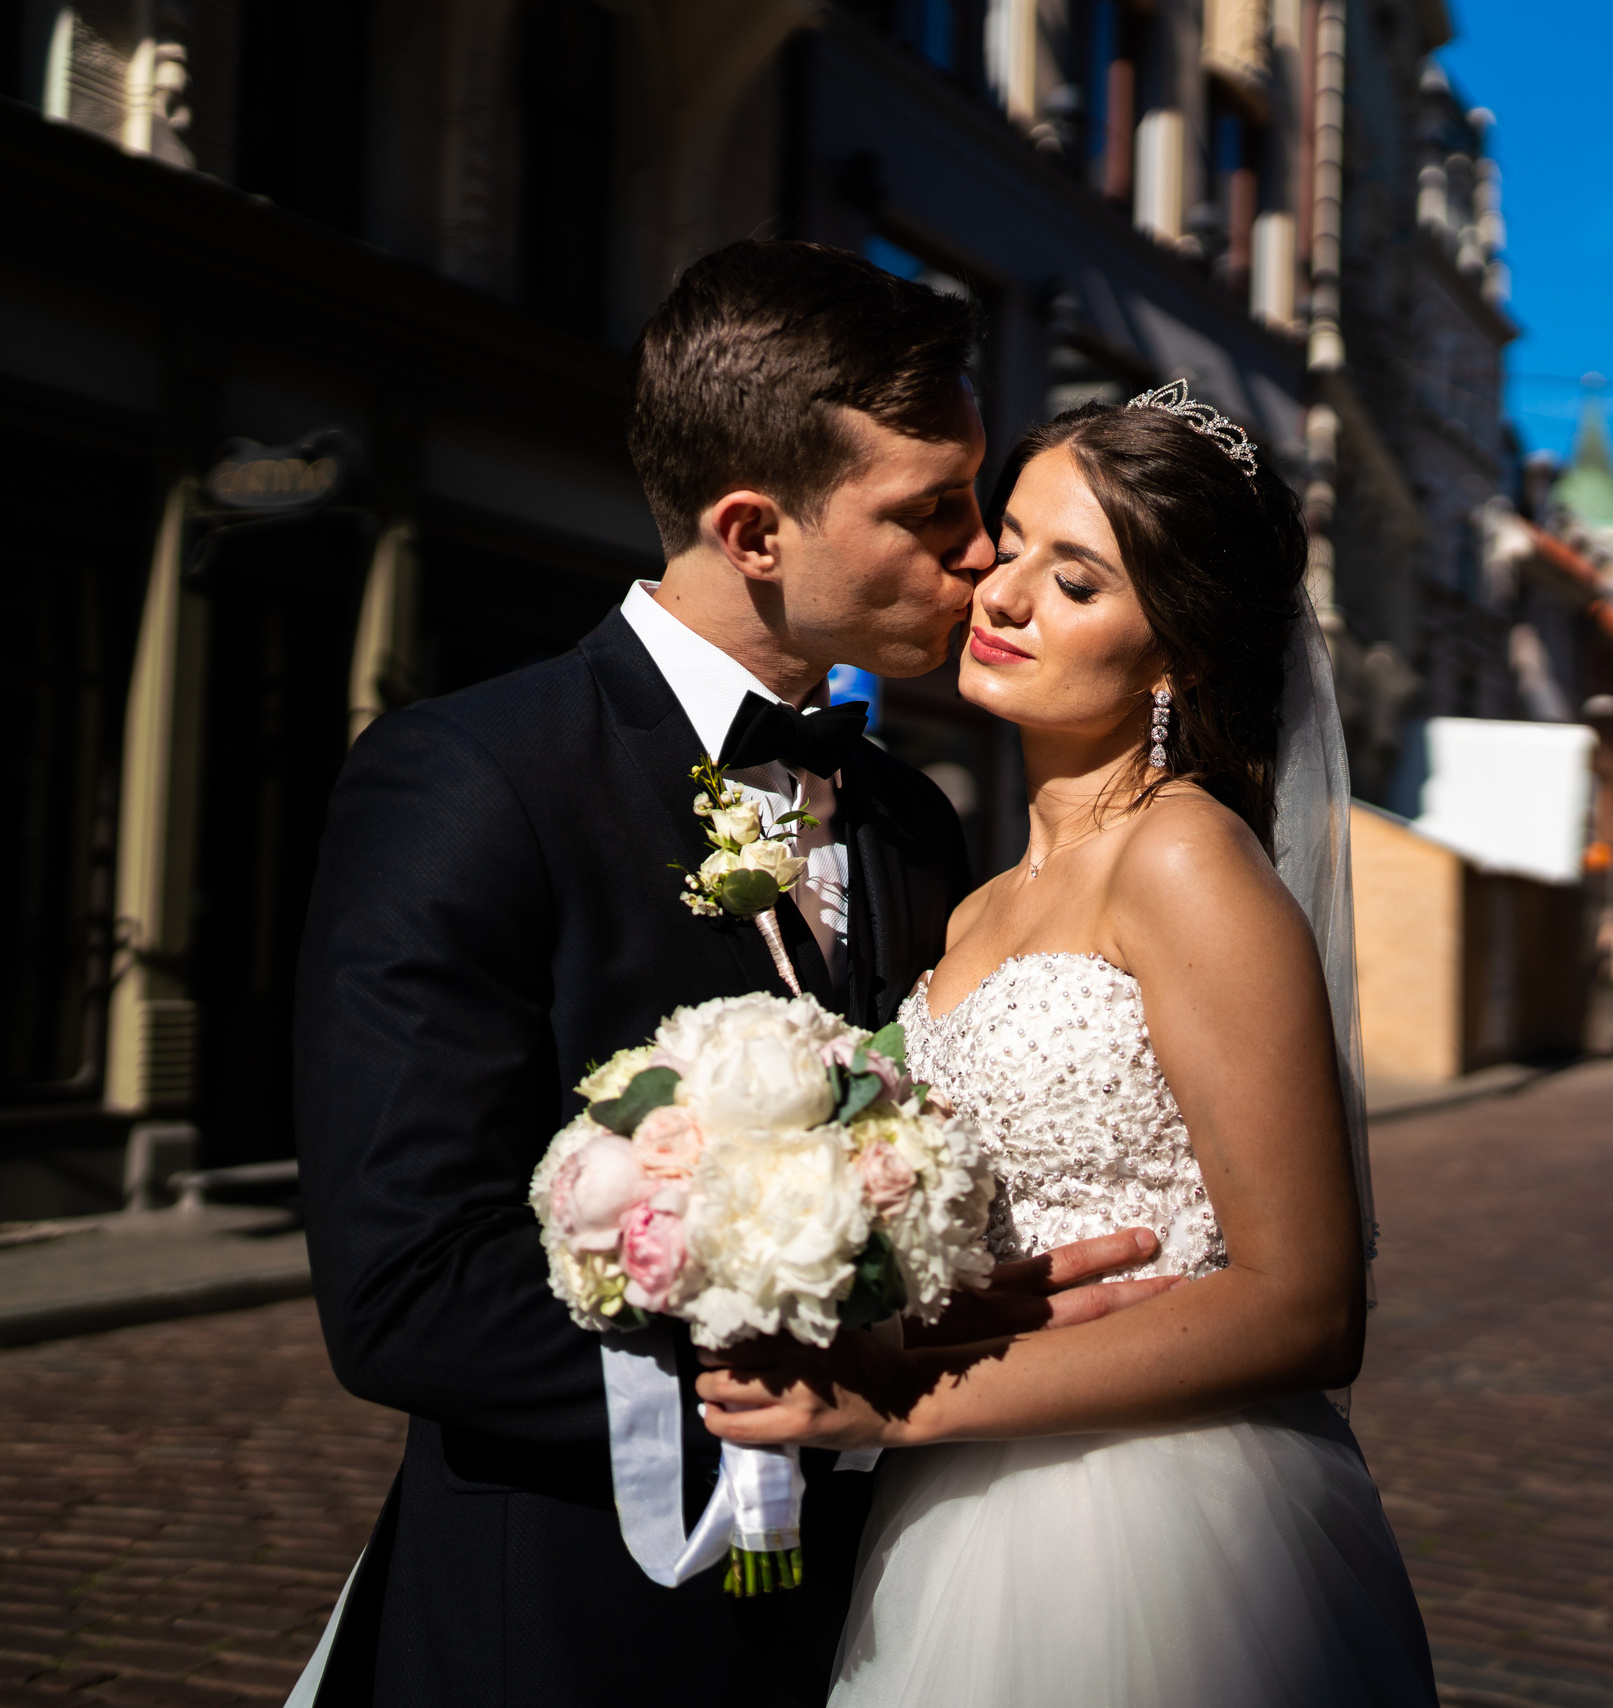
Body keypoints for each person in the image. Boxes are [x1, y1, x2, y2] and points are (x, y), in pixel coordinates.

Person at [289, 242, 1175, 1707]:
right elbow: (409, 1293)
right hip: (570, 1622)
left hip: (892, 1619)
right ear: (755, 529)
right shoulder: (468, 781)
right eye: (933, 512)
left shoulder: (908, 812)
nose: (983, 558)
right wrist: (845, 1388)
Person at [695, 391, 1439, 1706]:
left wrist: (901, 1407)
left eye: (1078, 578)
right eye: (1014, 538)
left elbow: (1308, 1305)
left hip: (1140, 1533)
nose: (1005, 592)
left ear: (1180, 657)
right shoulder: (977, 901)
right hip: (947, 1503)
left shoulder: (1185, 861)